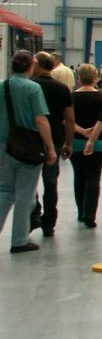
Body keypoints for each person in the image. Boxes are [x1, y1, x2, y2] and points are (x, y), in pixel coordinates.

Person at [0, 50, 57, 253]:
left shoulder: (3, 86)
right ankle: (19, 240)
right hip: (27, 148)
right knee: (25, 195)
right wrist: (50, 148)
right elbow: (40, 120)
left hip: (4, 145)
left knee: (4, 191)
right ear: (31, 66)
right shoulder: (33, 88)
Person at [30, 52, 74, 237]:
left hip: (31, 139)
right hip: (55, 139)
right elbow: (69, 119)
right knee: (50, 182)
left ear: (38, 66)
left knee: (29, 182)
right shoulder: (62, 89)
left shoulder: (31, 86)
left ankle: (33, 214)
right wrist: (68, 143)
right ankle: (49, 223)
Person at [69, 64, 102, 228]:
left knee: (79, 176)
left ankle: (81, 211)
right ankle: (89, 215)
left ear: (78, 78)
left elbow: (67, 120)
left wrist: (82, 132)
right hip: (98, 144)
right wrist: (92, 139)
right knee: (93, 178)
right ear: (95, 78)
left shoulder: (71, 97)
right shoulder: (101, 97)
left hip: (76, 143)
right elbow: (101, 120)